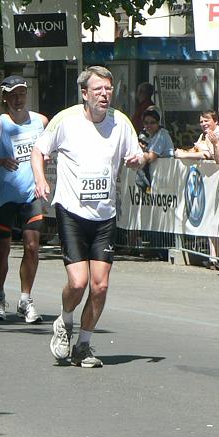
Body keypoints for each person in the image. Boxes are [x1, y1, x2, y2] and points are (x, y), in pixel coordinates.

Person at [31, 66, 146, 368]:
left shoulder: (120, 123)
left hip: (105, 215)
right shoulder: (65, 121)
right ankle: (65, 321)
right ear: (85, 94)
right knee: (79, 282)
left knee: (100, 286)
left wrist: (138, 160)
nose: (104, 94)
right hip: (71, 211)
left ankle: (84, 344)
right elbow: (38, 150)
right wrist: (40, 179)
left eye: (108, 89)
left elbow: (137, 158)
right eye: (98, 90)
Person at [0, 75, 49, 323]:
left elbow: (46, 152)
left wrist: (42, 176)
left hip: (30, 195)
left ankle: (25, 299)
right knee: (3, 248)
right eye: (13, 95)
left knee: (32, 246)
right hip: (4, 198)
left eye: (22, 94)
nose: (18, 99)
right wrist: (0, 161)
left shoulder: (40, 121)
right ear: (4, 97)